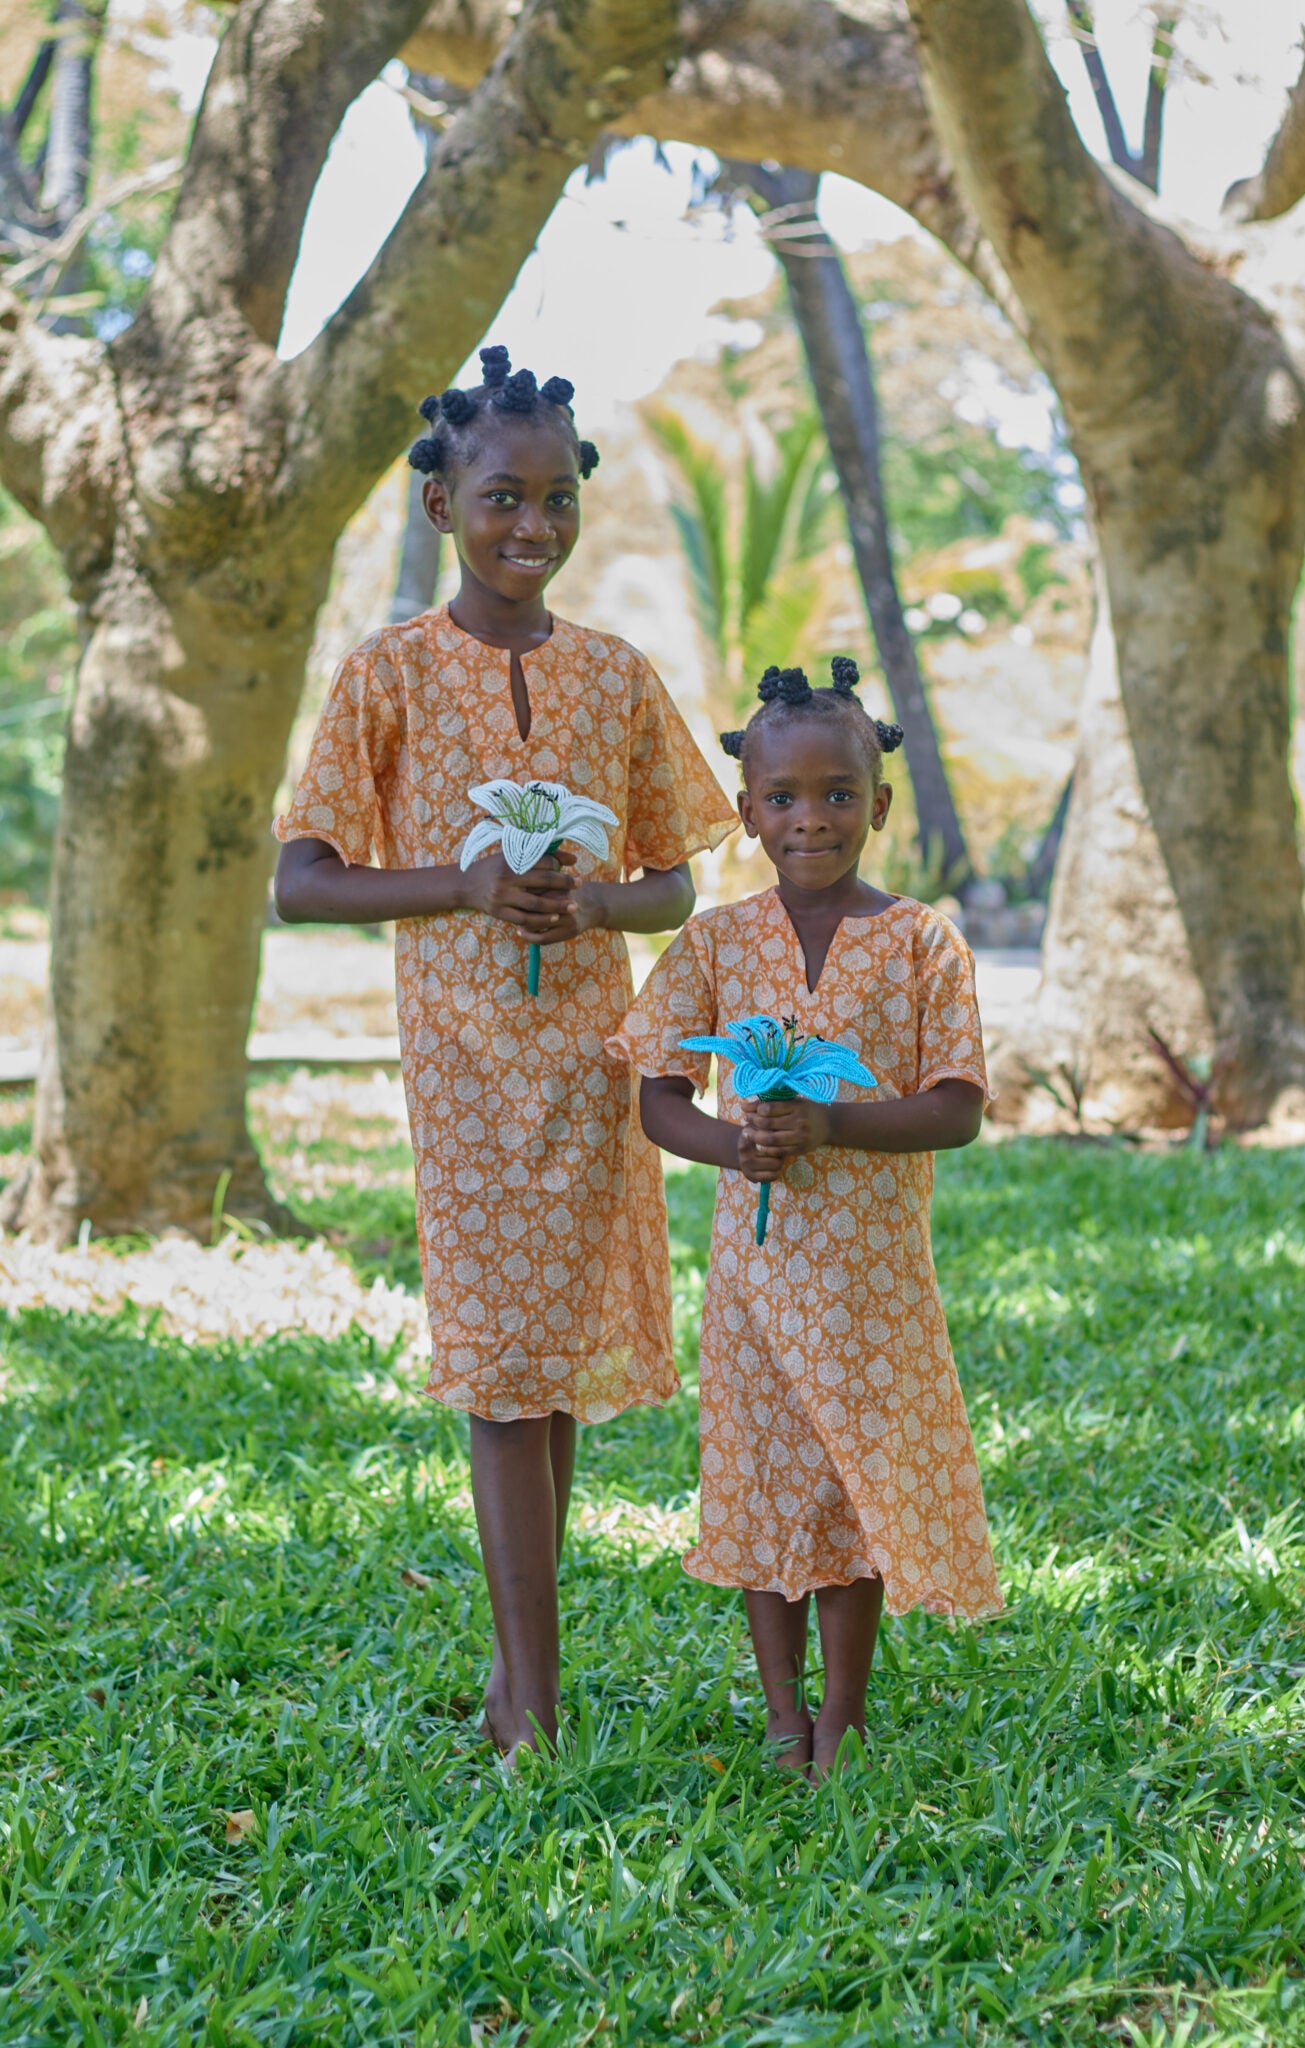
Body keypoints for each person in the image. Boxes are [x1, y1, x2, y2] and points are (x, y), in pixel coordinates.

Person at [273, 347, 735, 1757]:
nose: (529, 525)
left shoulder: (611, 678)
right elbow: (303, 880)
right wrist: (463, 885)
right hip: (467, 1065)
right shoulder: (391, 677)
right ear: (440, 508)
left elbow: (676, 880)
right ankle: (531, 1697)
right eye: (498, 497)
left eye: (553, 499)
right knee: (496, 1367)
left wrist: (594, 897)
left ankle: (520, 1676)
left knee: (556, 1365)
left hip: (594, 1053)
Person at [608, 658, 1002, 1776]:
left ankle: (846, 1715)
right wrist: (737, 1145)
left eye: (838, 794)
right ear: (746, 813)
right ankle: (782, 1715)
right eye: (782, 797)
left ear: (879, 805)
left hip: (874, 1291)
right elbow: (656, 1094)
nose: (810, 817)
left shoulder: (923, 943)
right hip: (754, 1284)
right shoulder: (721, 945)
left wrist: (828, 1126)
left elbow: (956, 1108)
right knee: (761, 1486)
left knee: (849, 1491)